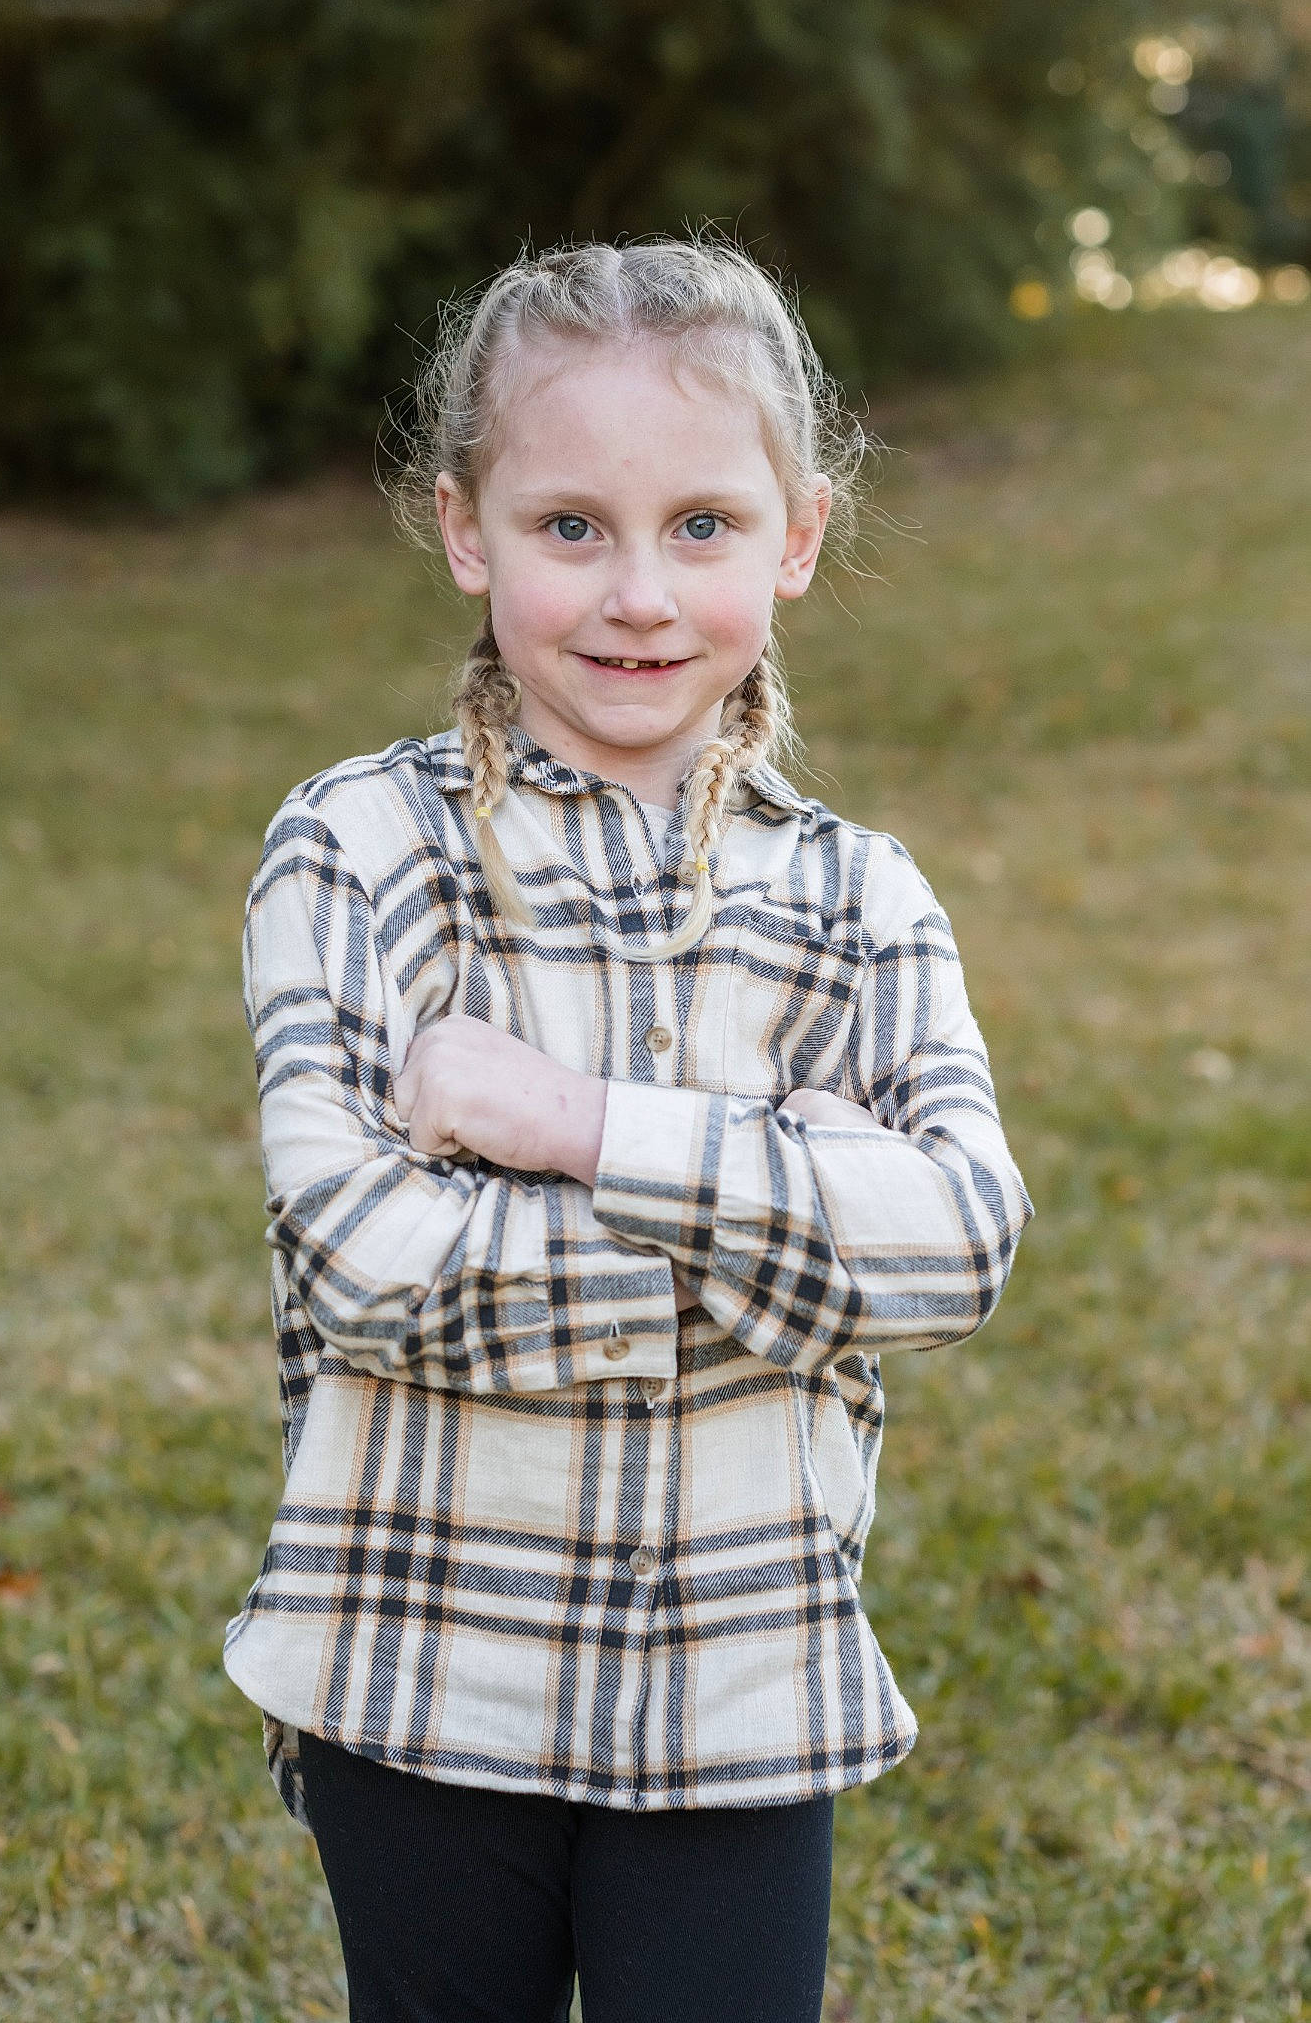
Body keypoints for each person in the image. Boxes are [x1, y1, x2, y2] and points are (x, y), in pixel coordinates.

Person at [222, 235, 1032, 2023]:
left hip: (742, 1675)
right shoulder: (360, 852)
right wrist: (786, 1214)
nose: (636, 595)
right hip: (420, 1663)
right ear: (465, 533)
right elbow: (363, 1264)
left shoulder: (857, 900)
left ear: (798, 538)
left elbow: (960, 1246)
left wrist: (579, 1127)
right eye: (568, 525)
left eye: (703, 527)